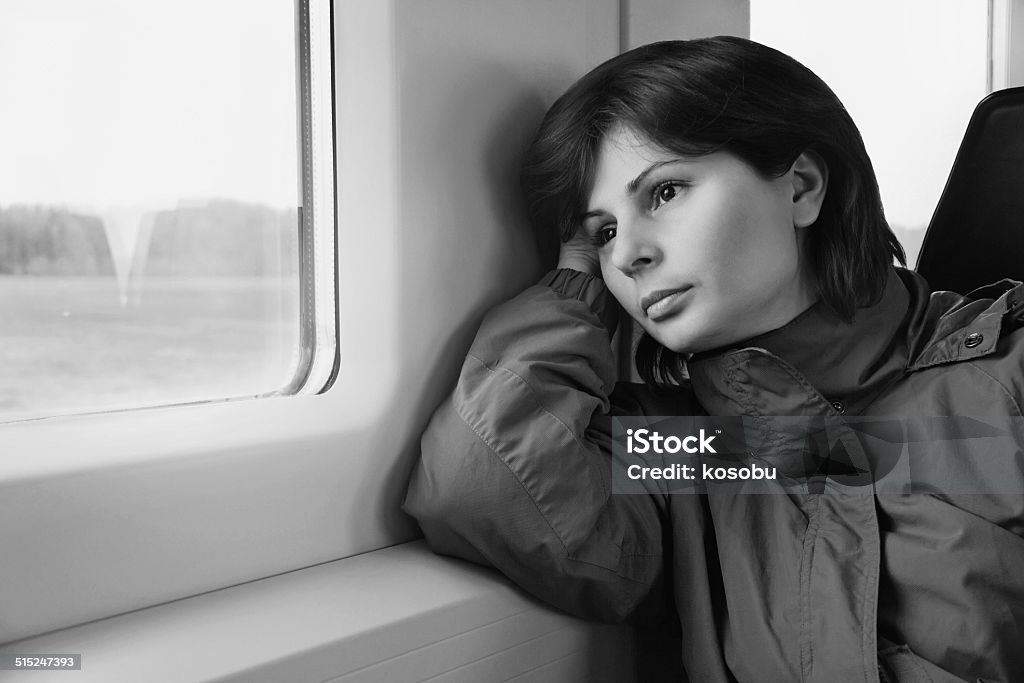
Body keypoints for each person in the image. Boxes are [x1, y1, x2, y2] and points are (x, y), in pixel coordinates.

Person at [403, 37, 1024, 682]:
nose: (627, 256)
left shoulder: (1007, 377)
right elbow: (485, 475)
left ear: (801, 188)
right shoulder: (692, 447)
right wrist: (576, 281)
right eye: (603, 233)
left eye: (665, 193)